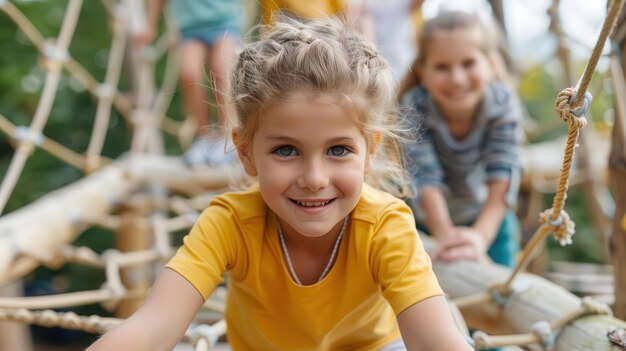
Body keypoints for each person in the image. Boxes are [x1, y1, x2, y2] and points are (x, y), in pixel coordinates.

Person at [88, 18, 473, 351]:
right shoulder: (230, 223)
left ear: (370, 151)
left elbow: (434, 340)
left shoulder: (384, 226)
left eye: (338, 150)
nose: (314, 179)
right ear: (246, 153)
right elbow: (152, 329)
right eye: (286, 151)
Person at [400, 10, 522, 269]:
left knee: (500, 291)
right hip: (426, 220)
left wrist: (481, 235)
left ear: (489, 64)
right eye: (442, 67)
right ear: (422, 72)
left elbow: (503, 173)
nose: (457, 79)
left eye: (468, 63)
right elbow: (424, 177)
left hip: (488, 216)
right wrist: (444, 235)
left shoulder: (502, 105)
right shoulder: (414, 108)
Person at [135, 0, 242, 166]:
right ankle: (204, 138)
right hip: (189, 27)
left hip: (223, 20)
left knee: (222, 72)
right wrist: (150, 25)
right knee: (188, 74)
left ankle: (227, 137)